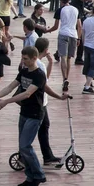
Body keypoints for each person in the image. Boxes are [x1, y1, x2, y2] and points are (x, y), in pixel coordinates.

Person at [0, 46, 68, 186]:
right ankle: (30, 176)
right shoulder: (24, 71)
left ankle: (38, 175)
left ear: (34, 58)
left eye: (26, 59)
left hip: (35, 114)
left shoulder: (39, 74)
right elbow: (11, 86)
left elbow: (27, 94)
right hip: (24, 112)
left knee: (26, 146)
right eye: (22, 58)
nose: (23, 61)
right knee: (22, 147)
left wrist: (6, 102)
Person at [33, 37, 62, 165]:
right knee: (37, 128)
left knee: (43, 127)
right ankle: (44, 155)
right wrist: (59, 96)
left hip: (38, 101)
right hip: (40, 101)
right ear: (46, 49)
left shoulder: (36, 62)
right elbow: (44, 84)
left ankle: (48, 155)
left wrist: (50, 63)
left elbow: (45, 79)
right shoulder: (39, 64)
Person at [46, 0, 81, 92]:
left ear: (61, 1)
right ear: (69, 0)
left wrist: (47, 31)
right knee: (69, 58)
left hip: (63, 34)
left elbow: (56, 26)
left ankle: (64, 78)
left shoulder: (60, 10)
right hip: (73, 35)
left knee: (63, 57)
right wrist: (78, 39)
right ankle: (67, 78)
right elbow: (80, 26)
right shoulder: (76, 9)